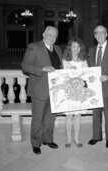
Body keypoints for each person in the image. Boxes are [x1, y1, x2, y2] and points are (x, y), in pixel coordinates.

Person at [21, 26, 62, 155]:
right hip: (40, 89)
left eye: (55, 36)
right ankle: (36, 143)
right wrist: (42, 68)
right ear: (44, 34)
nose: (52, 38)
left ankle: (48, 139)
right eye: (50, 35)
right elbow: (25, 66)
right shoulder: (34, 47)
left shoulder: (58, 49)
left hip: (55, 89)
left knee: (51, 118)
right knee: (38, 119)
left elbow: (60, 66)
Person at [62, 38, 89, 148]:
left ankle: (76, 138)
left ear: (80, 48)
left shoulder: (83, 60)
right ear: (70, 48)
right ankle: (68, 138)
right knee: (69, 116)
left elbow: (87, 74)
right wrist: (69, 71)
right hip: (69, 92)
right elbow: (63, 76)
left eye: (78, 47)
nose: (76, 49)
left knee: (78, 115)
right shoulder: (65, 61)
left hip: (80, 92)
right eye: (73, 46)